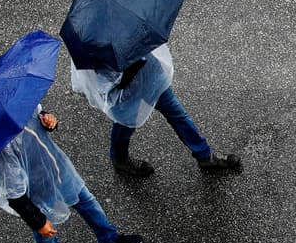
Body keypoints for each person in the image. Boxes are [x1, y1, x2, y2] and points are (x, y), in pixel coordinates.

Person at [0, 106, 143, 243]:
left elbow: (40, 114)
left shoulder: (22, 105)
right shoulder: (0, 147)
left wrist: (47, 119)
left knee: (87, 201)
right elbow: (15, 195)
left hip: (58, 169)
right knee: (45, 224)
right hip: (37, 187)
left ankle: (110, 240)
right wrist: (39, 223)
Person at [70, 44, 241, 177]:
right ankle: (119, 158)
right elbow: (103, 84)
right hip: (129, 94)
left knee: (178, 115)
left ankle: (204, 155)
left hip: (152, 77)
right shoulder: (88, 46)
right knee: (125, 125)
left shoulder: (125, 19)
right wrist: (129, 71)